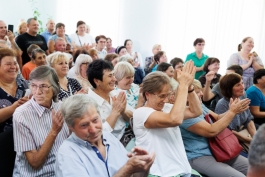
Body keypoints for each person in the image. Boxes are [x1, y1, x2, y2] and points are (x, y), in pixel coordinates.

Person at [55, 94, 155, 177]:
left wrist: (142, 166)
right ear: (70, 127)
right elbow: (126, 172)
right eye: (84, 125)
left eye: (95, 120)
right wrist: (127, 169)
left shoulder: (108, 137)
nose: (93, 130)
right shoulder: (68, 153)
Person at [133, 61, 203, 177]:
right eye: (161, 96)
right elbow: (175, 119)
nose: (165, 100)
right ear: (147, 94)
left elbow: (196, 111)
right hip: (161, 173)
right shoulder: (140, 113)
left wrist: (190, 87)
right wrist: (183, 86)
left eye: (167, 95)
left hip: (181, 170)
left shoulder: (166, 107)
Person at [180, 79, 249, 177]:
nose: (201, 94)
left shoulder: (199, 105)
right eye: (197, 92)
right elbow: (211, 131)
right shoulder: (183, 113)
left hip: (218, 149)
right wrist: (232, 112)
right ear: (186, 96)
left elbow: (217, 118)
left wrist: (232, 110)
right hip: (199, 155)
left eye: (200, 90)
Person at [12, 66, 69, 176]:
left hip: (63, 169)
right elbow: (35, 163)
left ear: (55, 86)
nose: (37, 92)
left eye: (43, 86)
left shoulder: (62, 107)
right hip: (39, 174)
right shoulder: (21, 115)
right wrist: (53, 132)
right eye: (33, 86)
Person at [87, 59, 133, 140]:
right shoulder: (88, 104)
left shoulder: (117, 93)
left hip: (127, 136)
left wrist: (123, 112)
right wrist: (115, 112)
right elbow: (99, 134)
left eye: (113, 75)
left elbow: (134, 118)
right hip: (109, 143)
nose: (114, 79)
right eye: (110, 76)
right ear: (97, 81)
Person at [215, 73, 257, 157]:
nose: (243, 87)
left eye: (242, 83)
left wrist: (255, 137)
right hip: (231, 139)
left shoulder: (243, 95)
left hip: (245, 133)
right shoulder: (222, 104)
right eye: (238, 85)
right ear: (229, 89)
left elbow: (248, 119)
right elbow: (226, 131)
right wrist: (248, 140)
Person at [0, 48, 29, 132]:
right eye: (8, 64)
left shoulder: (26, 84)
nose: (13, 67)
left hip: (27, 138)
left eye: (15, 63)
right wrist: (13, 108)